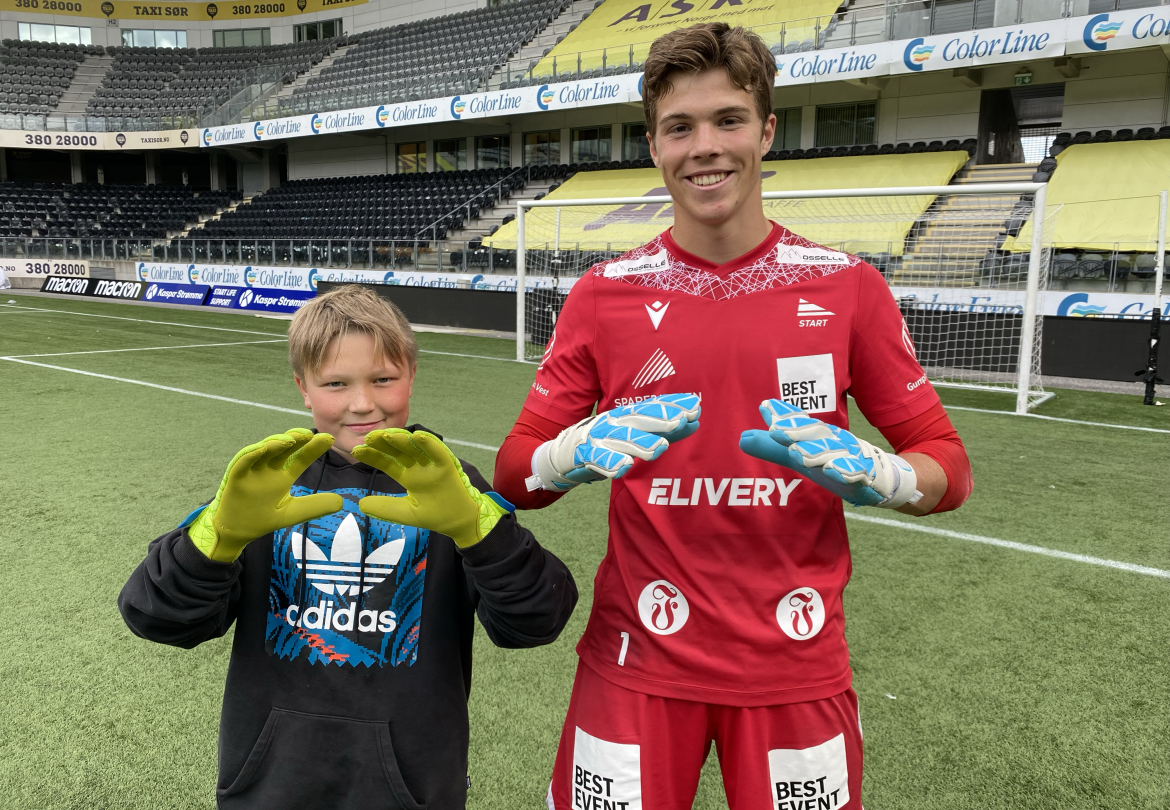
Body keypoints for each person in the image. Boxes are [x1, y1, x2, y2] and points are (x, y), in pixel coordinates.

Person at [492, 23, 973, 810]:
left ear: (767, 131)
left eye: (728, 120)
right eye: (680, 127)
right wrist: (568, 455)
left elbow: (946, 464)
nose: (706, 147)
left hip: (795, 658)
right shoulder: (603, 295)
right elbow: (516, 476)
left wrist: (884, 476)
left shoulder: (848, 287)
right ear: (654, 145)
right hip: (637, 656)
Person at [119, 284, 578, 810]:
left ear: (411, 375)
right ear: (303, 387)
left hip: (412, 791)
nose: (363, 404)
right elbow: (156, 617)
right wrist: (216, 540)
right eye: (336, 383)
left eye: (383, 379)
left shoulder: (452, 484)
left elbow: (535, 622)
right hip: (269, 785)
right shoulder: (267, 483)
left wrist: (482, 534)